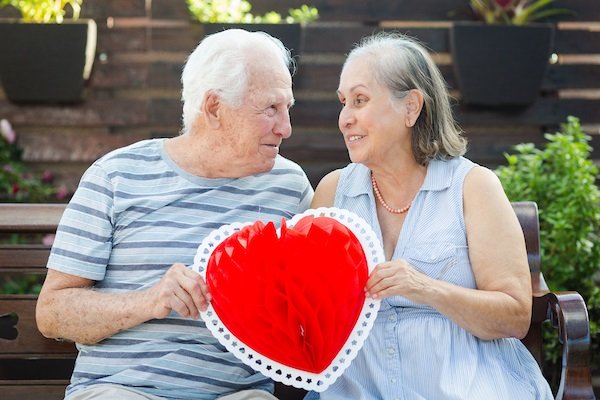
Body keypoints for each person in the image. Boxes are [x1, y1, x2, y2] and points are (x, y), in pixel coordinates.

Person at [36, 29, 314, 400]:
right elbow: (53, 312)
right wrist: (150, 300)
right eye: (271, 109)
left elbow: (316, 303)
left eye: (288, 108)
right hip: (121, 389)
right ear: (215, 108)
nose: (286, 128)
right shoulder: (117, 176)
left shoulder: (289, 187)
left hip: (236, 394)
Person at [306, 32, 553, 399]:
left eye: (360, 100)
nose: (344, 119)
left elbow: (515, 316)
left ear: (411, 107)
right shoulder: (333, 192)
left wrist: (426, 288)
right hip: (359, 388)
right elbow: (302, 307)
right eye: (344, 103)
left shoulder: (473, 187)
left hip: (465, 386)